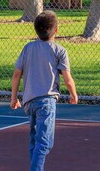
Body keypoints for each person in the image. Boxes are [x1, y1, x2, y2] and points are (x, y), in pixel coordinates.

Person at [10, 10, 79, 171]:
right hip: (46, 101)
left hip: (29, 101)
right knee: (44, 142)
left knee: (35, 140)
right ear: (56, 30)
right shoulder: (59, 51)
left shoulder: (28, 48)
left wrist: (13, 97)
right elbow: (68, 79)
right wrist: (74, 94)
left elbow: (16, 74)